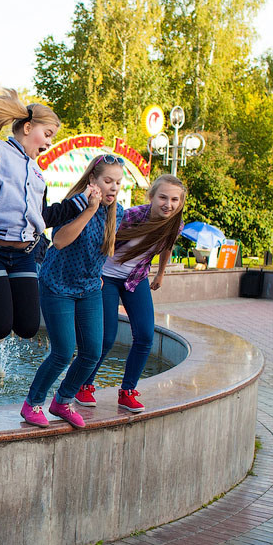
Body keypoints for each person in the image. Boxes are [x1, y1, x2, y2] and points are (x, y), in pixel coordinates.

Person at [0, 89, 84, 341]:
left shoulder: (37, 174)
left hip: (22, 255)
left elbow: (42, 217)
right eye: (47, 134)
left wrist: (82, 202)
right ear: (27, 127)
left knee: (27, 327)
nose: (48, 143)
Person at [20, 155, 124, 429]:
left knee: (92, 351)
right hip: (58, 286)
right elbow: (59, 241)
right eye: (107, 181)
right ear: (93, 180)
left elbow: (101, 250)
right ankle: (32, 403)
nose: (113, 188)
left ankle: (63, 400)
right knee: (64, 352)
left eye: (118, 183)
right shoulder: (76, 205)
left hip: (89, 288)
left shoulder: (119, 212)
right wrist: (90, 209)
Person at [74, 174, 186, 413]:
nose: (169, 204)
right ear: (152, 197)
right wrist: (92, 272)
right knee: (106, 337)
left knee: (145, 335)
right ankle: (83, 385)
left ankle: (127, 391)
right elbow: (101, 239)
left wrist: (160, 274)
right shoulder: (132, 215)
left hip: (136, 278)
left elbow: (166, 247)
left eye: (175, 199)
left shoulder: (175, 224)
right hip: (106, 276)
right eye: (163, 197)